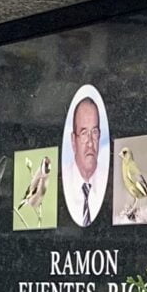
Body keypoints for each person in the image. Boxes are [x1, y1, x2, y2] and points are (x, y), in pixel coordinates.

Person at [62, 87, 110, 226]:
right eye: (83, 133)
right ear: (73, 140)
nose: (90, 142)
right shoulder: (62, 179)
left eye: (94, 132)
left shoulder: (109, 181)